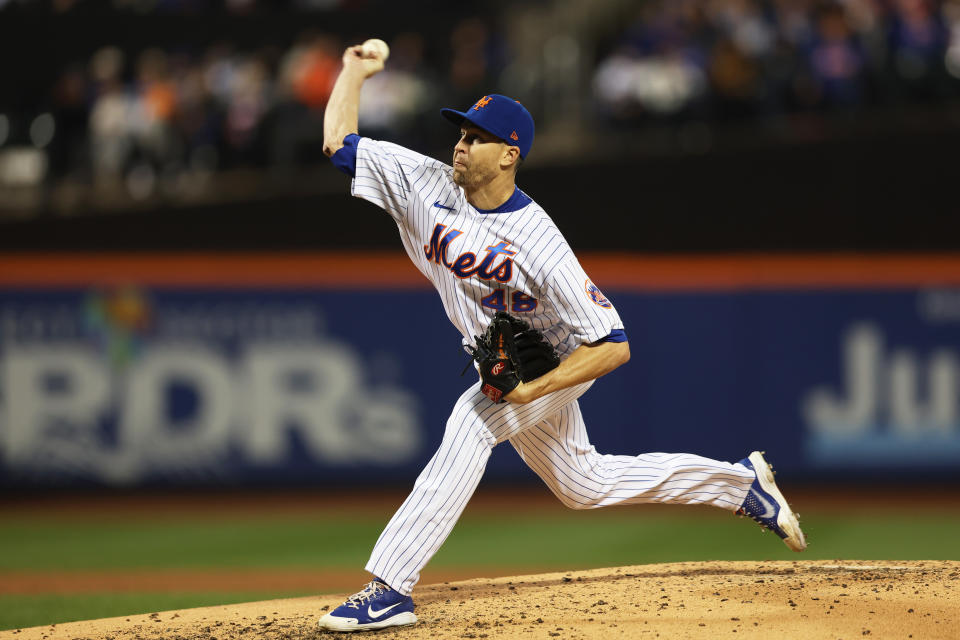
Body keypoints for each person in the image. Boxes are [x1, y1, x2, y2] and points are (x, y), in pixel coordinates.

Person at [317, 42, 806, 633]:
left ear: (509, 155)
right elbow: (339, 142)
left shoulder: (540, 242)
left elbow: (613, 344)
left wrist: (535, 390)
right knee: (583, 484)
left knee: (471, 424)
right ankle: (740, 484)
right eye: (461, 133)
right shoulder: (421, 180)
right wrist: (353, 71)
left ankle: (391, 586)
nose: (461, 144)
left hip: (548, 364)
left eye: (477, 137)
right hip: (501, 364)